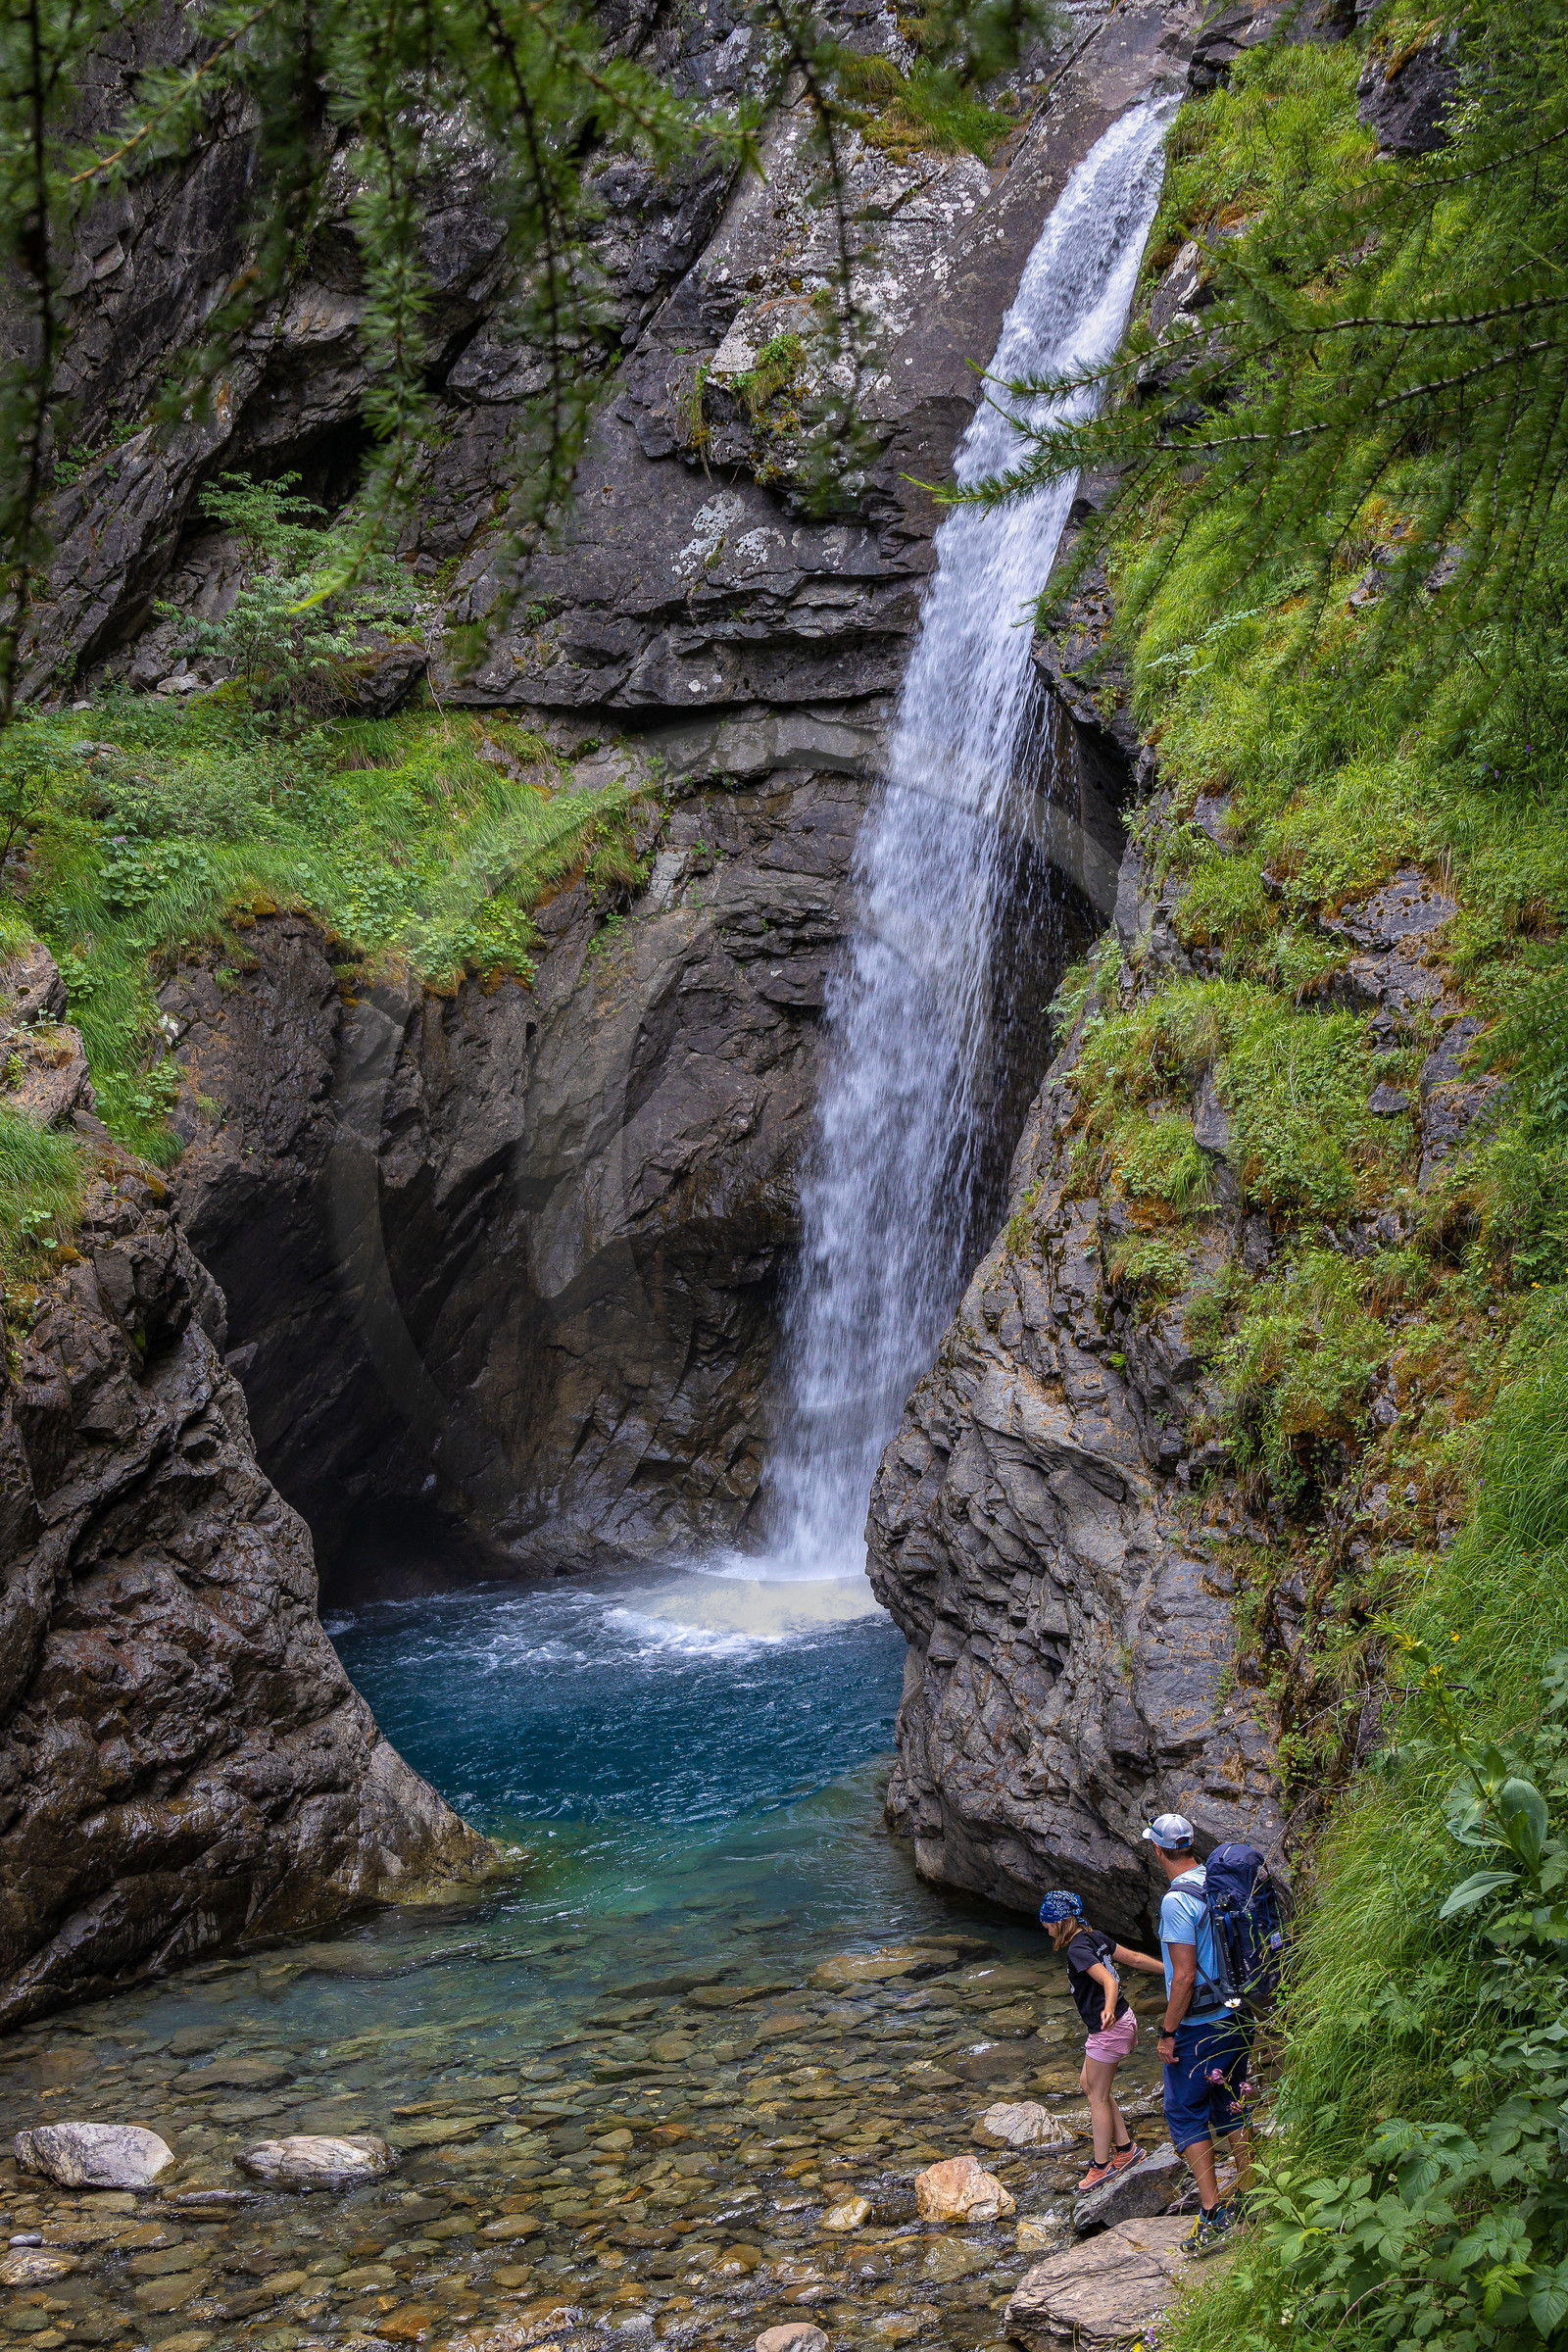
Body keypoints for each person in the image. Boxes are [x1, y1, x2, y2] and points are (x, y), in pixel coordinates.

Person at [1145, 1811, 1257, 2256]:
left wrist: (1167, 2031)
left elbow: (1184, 1978)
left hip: (1200, 2025)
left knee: (1184, 2112)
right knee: (1229, 2099)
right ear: (1190, 1846)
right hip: (1238, 2014)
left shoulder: (1176, 1902)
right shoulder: (1216, 1880)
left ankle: (1213, 2213)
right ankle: (1250, 2194)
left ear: (1158, 1850)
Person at [1038, 1889, 1165, 2191]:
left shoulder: (1078, 1949)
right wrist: (1170, 1969)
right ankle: (1125, 2149)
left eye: (1046, 1923)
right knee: (1090, 2084)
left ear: (1058, 1923)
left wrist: (1108, 2007)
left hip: (1110, 2027)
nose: (1045, 1928)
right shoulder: (1095, 1937)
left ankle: (1100, 2166)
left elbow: (1109, 1980)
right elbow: (1133, 1958)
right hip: (1120, 2022)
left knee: (1096, 2095)